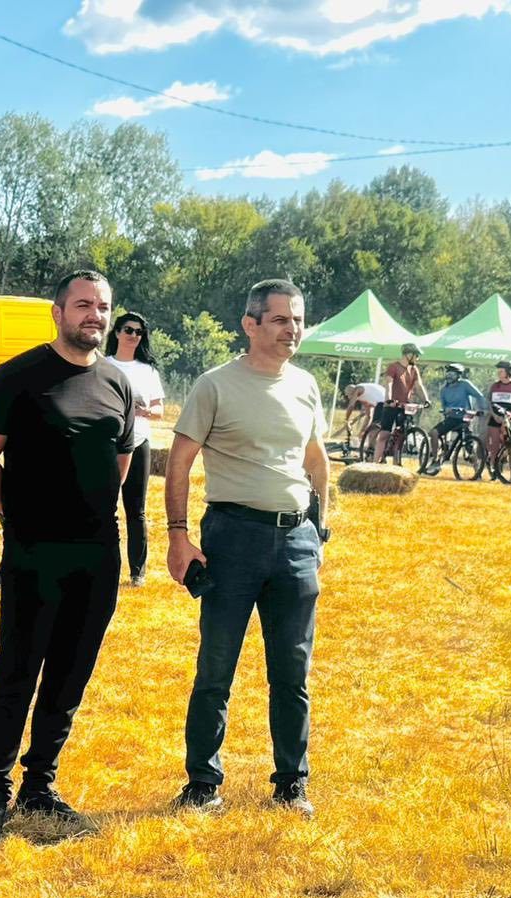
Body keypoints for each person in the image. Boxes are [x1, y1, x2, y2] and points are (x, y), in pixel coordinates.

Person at [0, 270, 133, 839]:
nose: (94, 315)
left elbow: (119, 462)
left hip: (98, 553)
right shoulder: (17, 377)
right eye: (82, 305)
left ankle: (40, 783)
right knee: (18, 668)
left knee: (71, 670)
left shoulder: (117, 383)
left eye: (102, 306)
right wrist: (20, 515)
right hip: (35, 551)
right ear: (58, 312)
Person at [165, 279, 330, 818]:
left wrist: (320, 528)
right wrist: (177, 535)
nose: (292, 330)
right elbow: (179, 462)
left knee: (292, 672)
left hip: (296, 540)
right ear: (250, 324)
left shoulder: (306, 385)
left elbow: (315, 459)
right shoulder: (215, 385)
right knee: (216, 669)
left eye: (298, 320)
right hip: (232, 538)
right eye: (281, 320)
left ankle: (291, 785)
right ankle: (202, 784)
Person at [101, 310, 166, 587]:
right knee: (102, 506)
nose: (134, 336)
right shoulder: (102, 365)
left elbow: (160, 410)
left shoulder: (147, 370)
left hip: (138, 442)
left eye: (139, 332)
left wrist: (144, 411)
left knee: (136, 510)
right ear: (117, 333)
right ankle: (102, 566)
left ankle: (137, 572)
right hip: (106, 443)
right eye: (128, 330)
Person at [375, 343, 428, 463]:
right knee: (384, 434)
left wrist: (426, 400)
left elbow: (419, 386)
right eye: (416, 355)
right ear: (408, 355)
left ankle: (396, 462)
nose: (417, 358)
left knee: (401, 435)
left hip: (404, 405)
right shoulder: (393, 367)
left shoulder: (414, 369)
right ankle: (375, 462)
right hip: (392, 404)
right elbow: (389, 384)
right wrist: (389, 400)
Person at [425, 364, 483, 472]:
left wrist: (481, 409)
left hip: (465, 418)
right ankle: (435, 460)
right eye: (448, 373)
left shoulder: (465, 384)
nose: (449, 376)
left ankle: (477, 472)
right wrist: (446, 410)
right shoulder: (444, 390)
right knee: (434, 433)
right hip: (451, 419)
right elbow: (444, 408)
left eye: (452, 374)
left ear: (458, 375)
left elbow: (479, 396)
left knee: (469, 446)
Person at [482, 360, 511, 469]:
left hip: (508, 419)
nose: (498, 373)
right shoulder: (495, 386)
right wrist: (494, 415)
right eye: (498, 371)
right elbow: (490, 403)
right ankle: (494, 469)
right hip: (495, 418)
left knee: (509, 446)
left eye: (501, 371)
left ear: (508, 372)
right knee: (494, 445)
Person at [331, 379, 383, 449]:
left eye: (348, 395)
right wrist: (362, 431)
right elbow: (369, 416)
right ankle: (372, 449)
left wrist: (346, 420)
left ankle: (372, 451)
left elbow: (351, 406)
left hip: (382, 402)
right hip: (385, 401)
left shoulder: (358, 389)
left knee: (373, 431)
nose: (348, 397)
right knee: (376, 430)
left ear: (352, 391)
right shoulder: (365, 396)